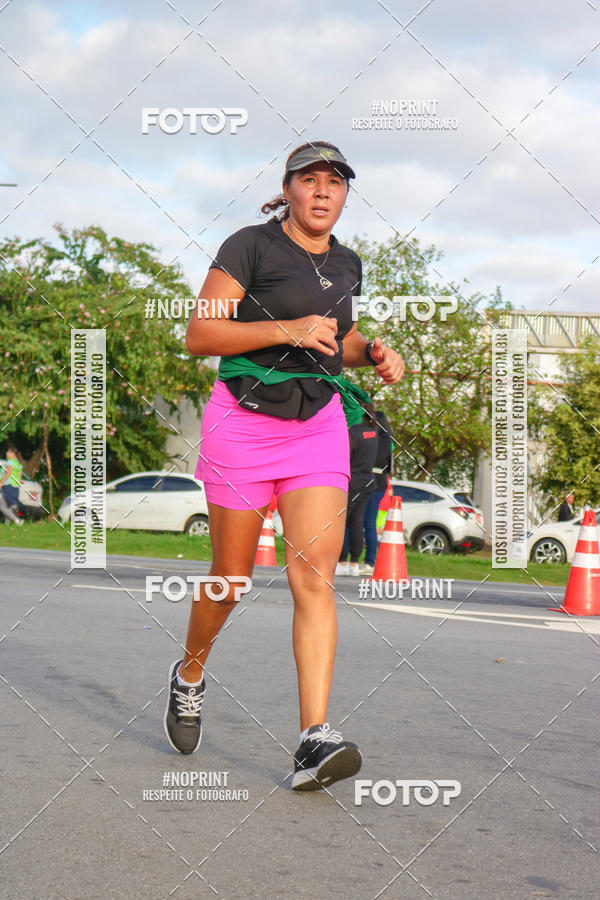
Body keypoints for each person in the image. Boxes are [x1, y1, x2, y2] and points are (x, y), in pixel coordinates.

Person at [163, 141, 404, 791]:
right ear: (288, 189)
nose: (323, 191)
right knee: (231, 577)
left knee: (313, 578)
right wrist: (286, 328)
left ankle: (312, 740)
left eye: (335, 182)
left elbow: (336, 339)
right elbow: (202, 334)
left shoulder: (348, 264)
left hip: (318, 425)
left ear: (346, 194)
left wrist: (371, 351)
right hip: (243, 422)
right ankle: (190, 673)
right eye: (310, 180)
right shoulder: (251, 246)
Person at [336, 404, 379, 577]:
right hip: (368, 480)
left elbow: (344, 455)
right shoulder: (374, 432)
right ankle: (354, 563)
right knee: (357, 523)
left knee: (341, 521)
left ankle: (342, 561)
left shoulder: (352, 432)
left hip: (352, 480)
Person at [360, 409, 393, 575]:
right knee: (364, 522)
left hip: (375, 481)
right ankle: (365, 559)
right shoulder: (382, 439)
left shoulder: (382, 440)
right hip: (374, 481)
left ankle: (370, 561)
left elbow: (376, 460)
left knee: (369, 522)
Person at [0, 448, 24, 525]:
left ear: (12, 454)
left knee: (8, 503)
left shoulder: (9, 462)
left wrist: (1, 483)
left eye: (8, 452)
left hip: (8, 484)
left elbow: (8, 473)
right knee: (4, 506)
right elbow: (20, 476)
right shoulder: (18, 464)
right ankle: (12, 522)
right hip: (15, 485)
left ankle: (16, 506)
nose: (6, 453)